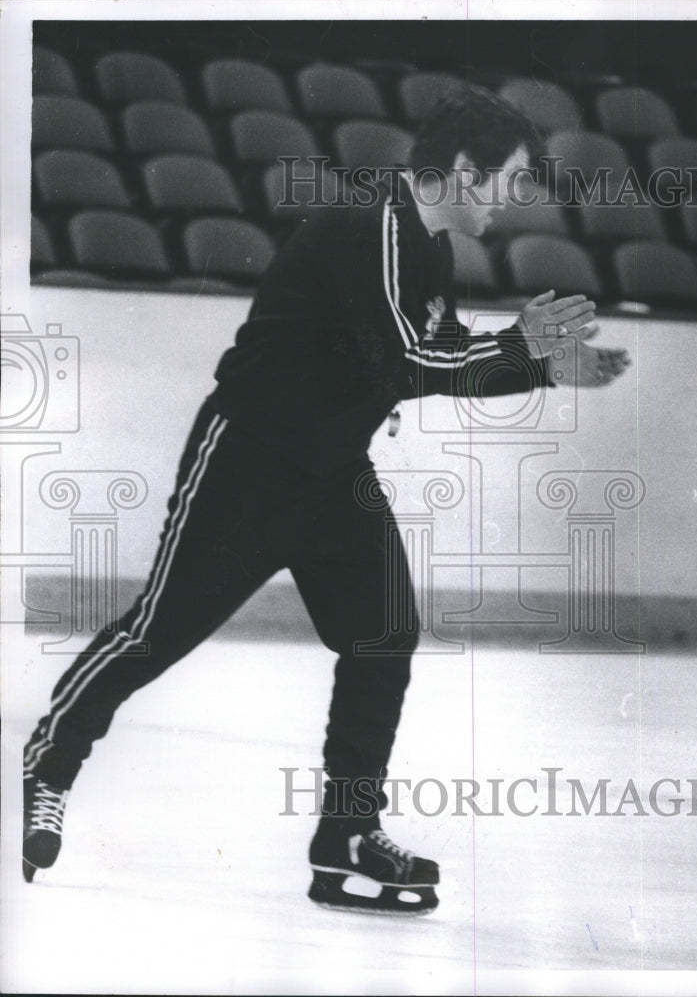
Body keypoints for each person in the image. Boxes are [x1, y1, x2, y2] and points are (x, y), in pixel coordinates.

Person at [22, 85, 629, 915]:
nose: (515, 199)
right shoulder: (369, 230)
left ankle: (345, 837)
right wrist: (524, 353)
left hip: (334, 469)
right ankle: (47, 766)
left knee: (382, 634)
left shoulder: (427, 250)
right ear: (461, 170)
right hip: (249, 463)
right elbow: (408, 364)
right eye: (510, 179)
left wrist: (539, 365)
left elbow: (433, 354)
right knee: (156, 635)